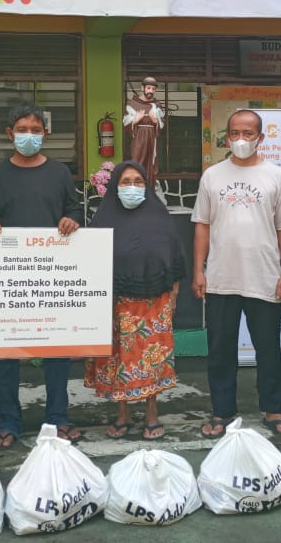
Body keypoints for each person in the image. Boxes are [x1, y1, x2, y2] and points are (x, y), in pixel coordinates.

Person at [0, 102, 85, 448]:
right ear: (10, 134)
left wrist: (71, 220)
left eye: (36, 130)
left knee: (57, 352)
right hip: (9, 279)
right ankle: (8, 421)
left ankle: (58, 418)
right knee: (6, 354)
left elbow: (74, 209)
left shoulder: (60, 173)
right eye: (22, 130)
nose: (29, 136)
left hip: (52, 276)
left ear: (45, 134)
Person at [192, 109, 281, 439]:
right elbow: (202, 225)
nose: (241, 139)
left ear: (260, 137)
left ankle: (274, 409)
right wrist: (199, 270)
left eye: (248, 133)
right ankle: (222, 411)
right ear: (227, 136)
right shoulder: (212, 175)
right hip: (221, 278)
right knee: (220, 350)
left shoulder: (276, 176)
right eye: (235, 133)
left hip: (264, 276)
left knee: (268, 348)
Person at [84, 161, 185, 440]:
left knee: (150, 358)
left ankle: (152, 414)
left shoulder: (158, 215)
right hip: (115, 302)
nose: (132, 187)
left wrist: (174, 294)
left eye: (138, 182)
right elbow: (89, 259)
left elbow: (175, 257)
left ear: (147, 186)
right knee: (118, 359)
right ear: (115, 186)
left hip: (154, 300)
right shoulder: (104, 217)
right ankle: (123, 414)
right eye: (126, 182)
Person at [125, 76, 166, 187]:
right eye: (148, 88)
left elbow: (162, 123)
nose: (151, 91)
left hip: (152, 138)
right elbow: (125, 123)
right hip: (138, 138)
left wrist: (155, 120)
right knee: (137, 160)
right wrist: (135, 120)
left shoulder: (157, 105)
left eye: (153, 89)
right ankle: (137, 187)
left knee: (151, 163)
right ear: (142, 88)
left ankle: (150, 189)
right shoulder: (133, 104)